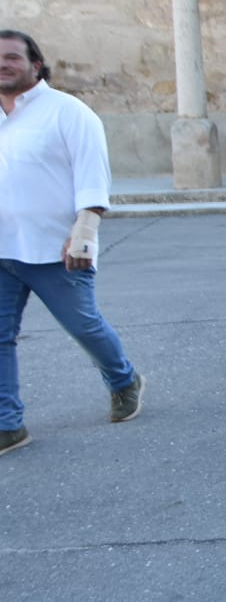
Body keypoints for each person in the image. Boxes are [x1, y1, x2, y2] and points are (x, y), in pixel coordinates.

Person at [0, 30, 144, 456]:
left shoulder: (67, 112)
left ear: (36, 65)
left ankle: (123, 379)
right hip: (1, 249)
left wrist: (84, 231)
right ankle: (9, 424)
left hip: (56, 250)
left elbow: (92, 174)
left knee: (83, 326)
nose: (3, 64)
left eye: (12, 57)